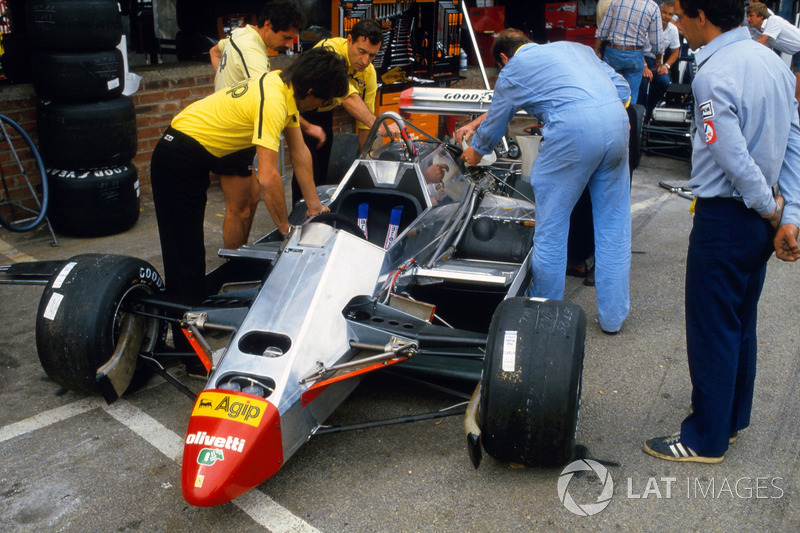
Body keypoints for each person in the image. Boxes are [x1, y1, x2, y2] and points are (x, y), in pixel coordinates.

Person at [643, 0, 800, 463]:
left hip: (729, 216)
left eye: (679, 15)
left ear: (702, 17)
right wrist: (788, 214)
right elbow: (794, 140)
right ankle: (729, 419)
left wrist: (773, 209)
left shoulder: (713, 74)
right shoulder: (771, 61)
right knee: (738, 323)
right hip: (757, 216)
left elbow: (730, 155)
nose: (676, 24)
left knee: (713, 327)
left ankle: (703, 437)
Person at [458, 29, 633, 334]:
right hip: (616, 124)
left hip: (572, 134)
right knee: (613, 228)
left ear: (503, 58)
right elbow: (622, 87)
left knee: (552, 229)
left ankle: (545, 315)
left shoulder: (513, 69)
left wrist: (475, 153)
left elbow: (499, 119)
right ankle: (613, 318)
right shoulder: (575, 50)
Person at [150, 48, 349, 307]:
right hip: (176, 154)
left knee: (191, 253)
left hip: (195, 157)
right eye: (326, 102)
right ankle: (182, 334)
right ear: (311, 91)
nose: (322, 108)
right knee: (184, 255)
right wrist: (285, 230)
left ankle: (192, 313)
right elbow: (267, 176)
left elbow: (300, 154)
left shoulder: (283, 87)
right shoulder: (275, 100)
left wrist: (314, 206)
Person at [208, 0, 313, 250]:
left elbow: (214, 51)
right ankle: (232, 264)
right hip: (229, 135)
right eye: (286, 38)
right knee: (239, 210)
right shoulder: (252, 52)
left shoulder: (241, 33)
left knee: (253, 197)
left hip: (239, 131)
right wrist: (305, 124)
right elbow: (270, 98)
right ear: (267, 25)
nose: (289, 46)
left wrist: (225, 85)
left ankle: (241, 251)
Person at [293, 19, 401, 203]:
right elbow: (346, 95)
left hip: (324, 112)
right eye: (362, 52)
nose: (365, 61)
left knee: (322, 173)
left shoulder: (369, 74)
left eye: (372, 56)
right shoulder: (329, 50)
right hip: (300, 109)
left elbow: (365, 125)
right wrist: (379, 125)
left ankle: (318, 216)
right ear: (349, 40)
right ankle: (299, 215)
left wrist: (367, 163)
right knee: (307, 170)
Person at [595, 0, 663, 104]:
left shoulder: (617, 1)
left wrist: (596, 49)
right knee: (630, 97)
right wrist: (658, 62)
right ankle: (628, 116)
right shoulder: (652, 7)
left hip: (613, 52)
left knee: (607, 92)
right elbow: (657, 43)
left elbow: (603, 30)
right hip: (634, 56)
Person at [746, 2, 800, 113]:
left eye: (751, 16)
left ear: (761, 16)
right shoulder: (759, 31)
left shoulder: (773, 21)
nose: (748, 19)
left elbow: (759, 43)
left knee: (797, 95)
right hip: (796, 53)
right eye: (747, 16)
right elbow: (753, 45)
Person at [639, 0, 682, 120]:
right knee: (642, 82)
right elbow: (637, 47)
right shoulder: (648, 24)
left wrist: (666, 66)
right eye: (664, 12)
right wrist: (644, 66)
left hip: (658, 61)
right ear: (659, 11)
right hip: (641, 59)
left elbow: (676, 51)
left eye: (669, 14)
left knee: (664, 82)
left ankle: (649, 112)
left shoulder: (673, 30)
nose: (666, 16)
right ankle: (640, 115)